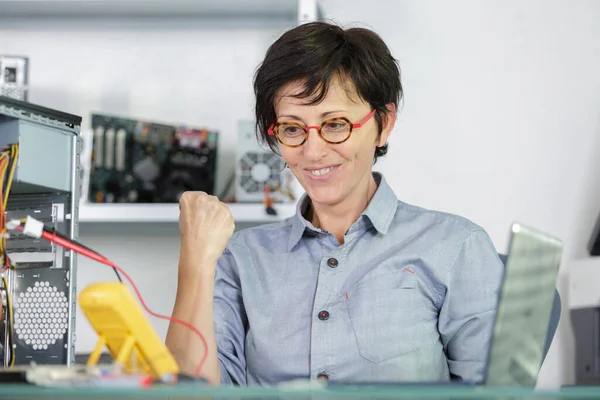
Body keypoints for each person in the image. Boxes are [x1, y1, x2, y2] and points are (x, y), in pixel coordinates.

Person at [165, 21, 503, 386]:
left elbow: (497, 396)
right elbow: (192, 395)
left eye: (336, 124)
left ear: (384, 124)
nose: (313, 151)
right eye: (292, 129)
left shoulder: (456, 247)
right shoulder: (241, 257)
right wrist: (196, 262)